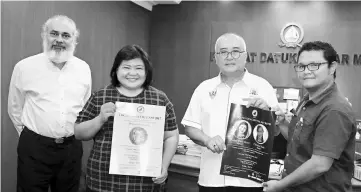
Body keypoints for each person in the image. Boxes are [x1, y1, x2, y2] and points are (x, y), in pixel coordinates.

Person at [74, 44, 179, 192]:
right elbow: (78, 132)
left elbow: (171, 136)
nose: (132, 73)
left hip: (145, 182)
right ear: (116, 70)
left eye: (138, 68)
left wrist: (164, 166)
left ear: (146, 71)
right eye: (126, 67)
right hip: (103, 181)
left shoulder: (159, 99)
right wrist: (100, 119)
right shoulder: (101, 96)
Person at [182, 33, 278, 192]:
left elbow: (275, 132)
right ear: (216, 58)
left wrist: (267, 115)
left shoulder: (263, 87)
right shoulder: (204, 89)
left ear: (245, 56)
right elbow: (190, 127)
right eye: (223, 52)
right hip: (212, 179)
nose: (229, 57)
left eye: (235, 51)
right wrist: (207, 140)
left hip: (249, 181)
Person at [8, 15, 92, 192]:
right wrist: (33, 136)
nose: (59, 40)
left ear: (74, 40)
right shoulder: (24, 67)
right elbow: (15, 108)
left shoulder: (83, 69)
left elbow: (84, 106)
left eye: (66, 35)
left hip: (71, 150)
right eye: (54, 33)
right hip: (34, 149)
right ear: (44, 35)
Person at [263, 41, 356, 192]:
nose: (306, 71)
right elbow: (298, 140)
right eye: (301, 66)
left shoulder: (334, 109)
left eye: (314, 65)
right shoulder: (307, 101)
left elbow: (319, 164)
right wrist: (282, 123)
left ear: (332, 67)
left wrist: (280, 185)